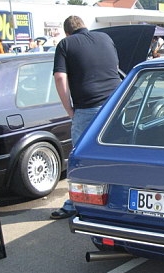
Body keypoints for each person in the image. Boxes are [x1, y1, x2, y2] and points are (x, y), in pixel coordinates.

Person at [50, 15, 121, 219]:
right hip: (115, 107)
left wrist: (70, 110)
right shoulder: (105, 38)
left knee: (80, 159)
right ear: (85, 27)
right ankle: (116, 199)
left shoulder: (65, 44)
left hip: (87, 108)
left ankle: (75, 203)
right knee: (113, 155)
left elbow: (60, 77)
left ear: (67, 32)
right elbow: (114, 67)